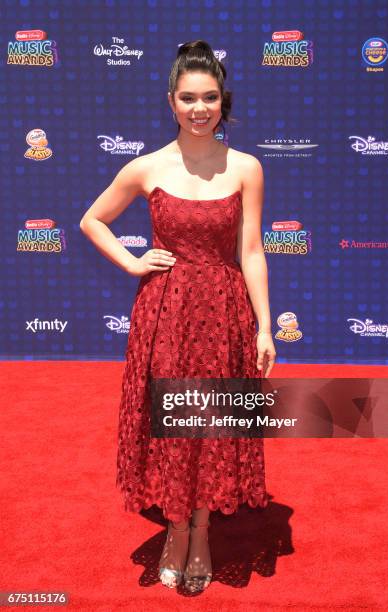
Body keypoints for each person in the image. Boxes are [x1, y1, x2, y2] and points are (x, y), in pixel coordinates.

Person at [79, 39, 276, 593]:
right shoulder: (146, 166)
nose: (199, 108)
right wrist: (132, 261)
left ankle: (204, 530)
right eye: (188, 97)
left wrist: (264, 325)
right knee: (171, 425)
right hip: (165, 314)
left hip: (224, 312)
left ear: (222, 101)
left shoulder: (247, 168)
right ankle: (175, 531)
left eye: (209, 97)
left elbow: (253, 251)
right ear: (171, 101)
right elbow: (93, 220)